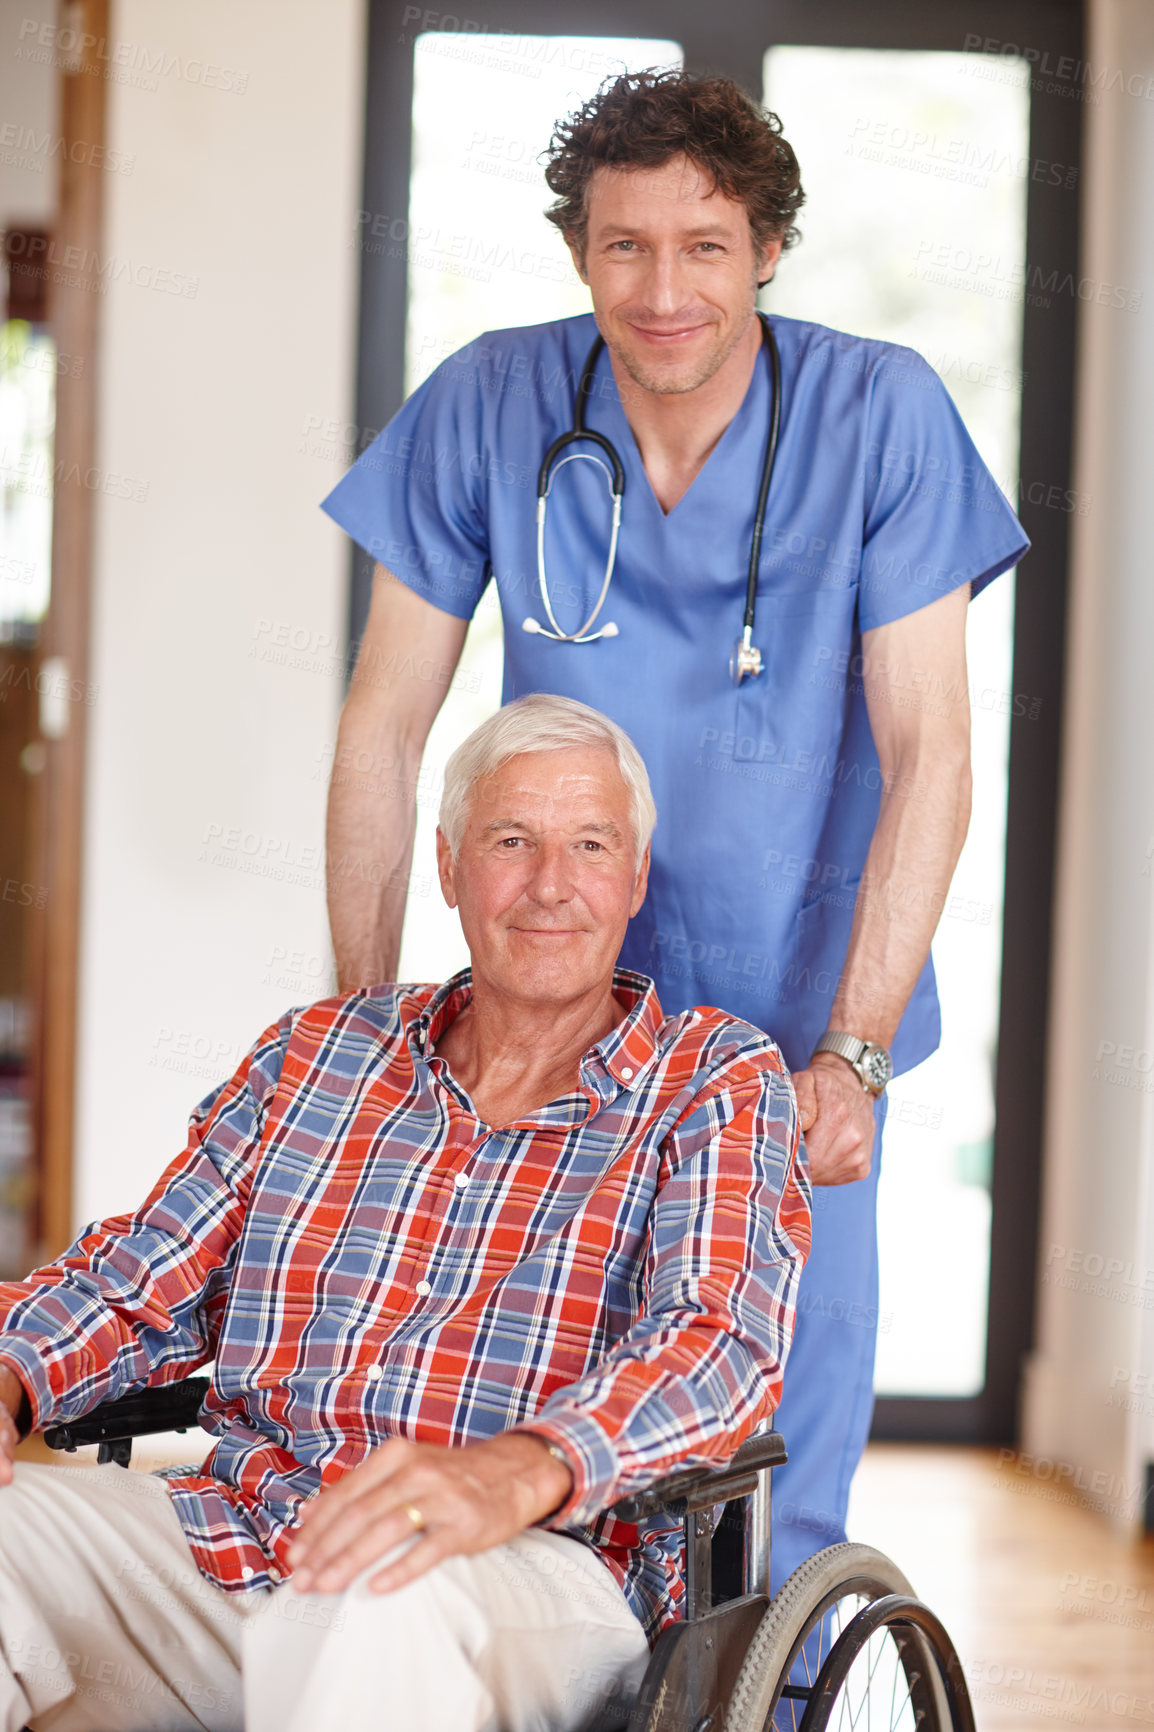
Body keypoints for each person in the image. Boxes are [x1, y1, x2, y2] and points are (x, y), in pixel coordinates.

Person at [320, 67, 1029, 1593]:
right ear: (579, 251)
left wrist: (849, 1048)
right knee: (535, 1434)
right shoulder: (490, 402)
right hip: (557, 1022)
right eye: (624, 246)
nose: (662, 289)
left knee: (775, 1475)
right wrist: (366, 1018)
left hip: (794, 1028)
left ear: (766, 249)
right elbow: (381, 727)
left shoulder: (877, 410)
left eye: (702, 246)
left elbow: (929, 750)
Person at [0, 695, 809, 1732]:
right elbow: (138, 1277)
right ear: (448, 865)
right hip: (243, 1534)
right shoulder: (318, 1052)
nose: (550, 884)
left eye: (590, 845)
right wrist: (14, 1370)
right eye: (511, 840)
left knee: (377, 1598)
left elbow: (719, 1342)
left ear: (636, 876)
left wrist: (517, 1471)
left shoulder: (711, 1077)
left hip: (528, 1568)